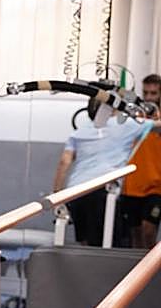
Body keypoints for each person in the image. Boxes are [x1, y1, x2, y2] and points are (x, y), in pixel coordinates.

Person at [53, 95, 153, 246]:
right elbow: (156, 124)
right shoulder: (126, 125)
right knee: (108, 245)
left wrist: (57, 197)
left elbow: (64, 162)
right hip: (102, 192)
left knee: (86, 243)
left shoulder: (79, 132)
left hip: (75, 192)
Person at [119, 74, 161, 247]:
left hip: (156, 187)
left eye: (154, 93)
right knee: (135, 235)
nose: (149, 97)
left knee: (148, 230)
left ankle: (151, 272)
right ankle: (139, 272)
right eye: (146, 93)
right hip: (131, 187)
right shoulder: (134, 118)